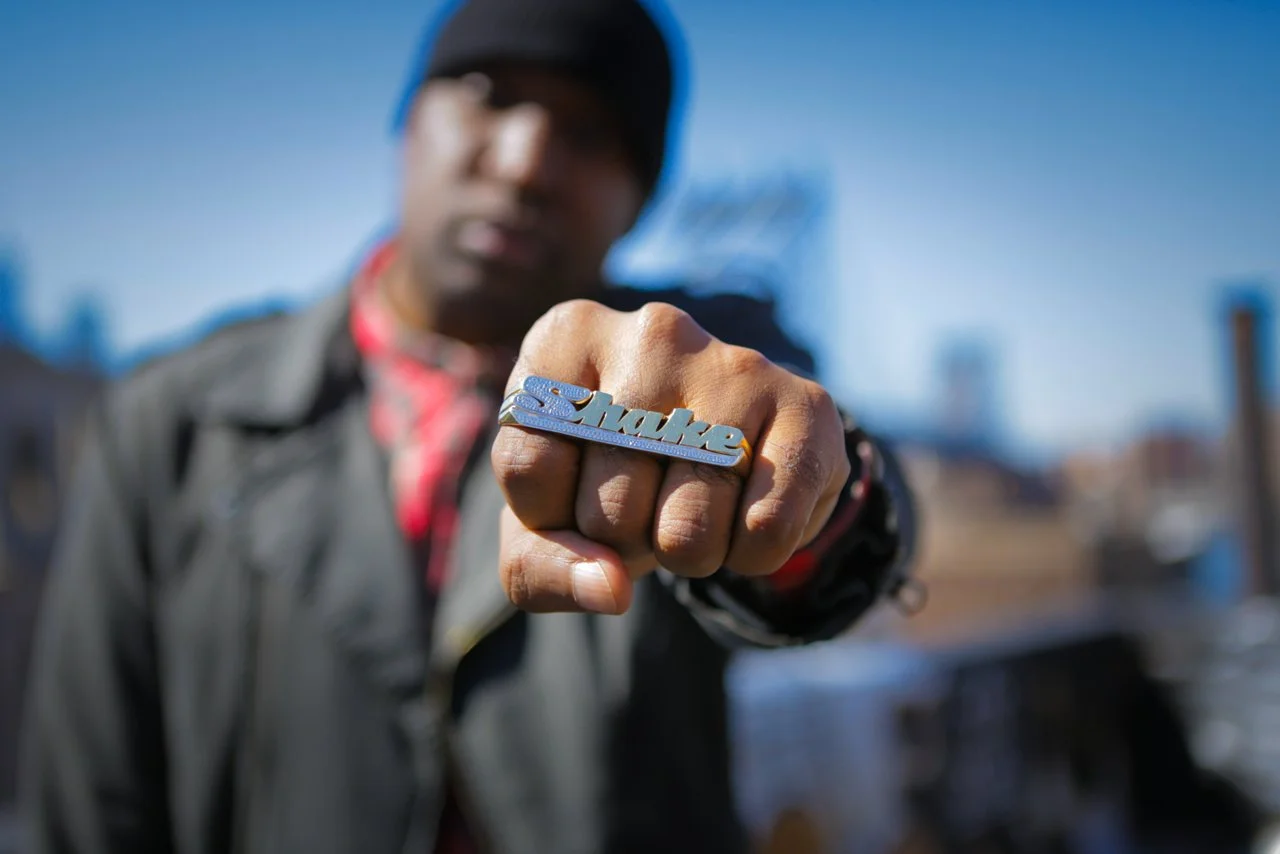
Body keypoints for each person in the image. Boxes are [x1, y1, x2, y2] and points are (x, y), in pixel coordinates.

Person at [21, 0, 916, 851]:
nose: (526, 162)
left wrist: (801, 486)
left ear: (637, 203)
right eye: (489, 95)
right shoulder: (171, 421)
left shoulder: (710, 362)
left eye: (589, 134)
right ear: (409, 126)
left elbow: (847, 518)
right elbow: (91, 801)